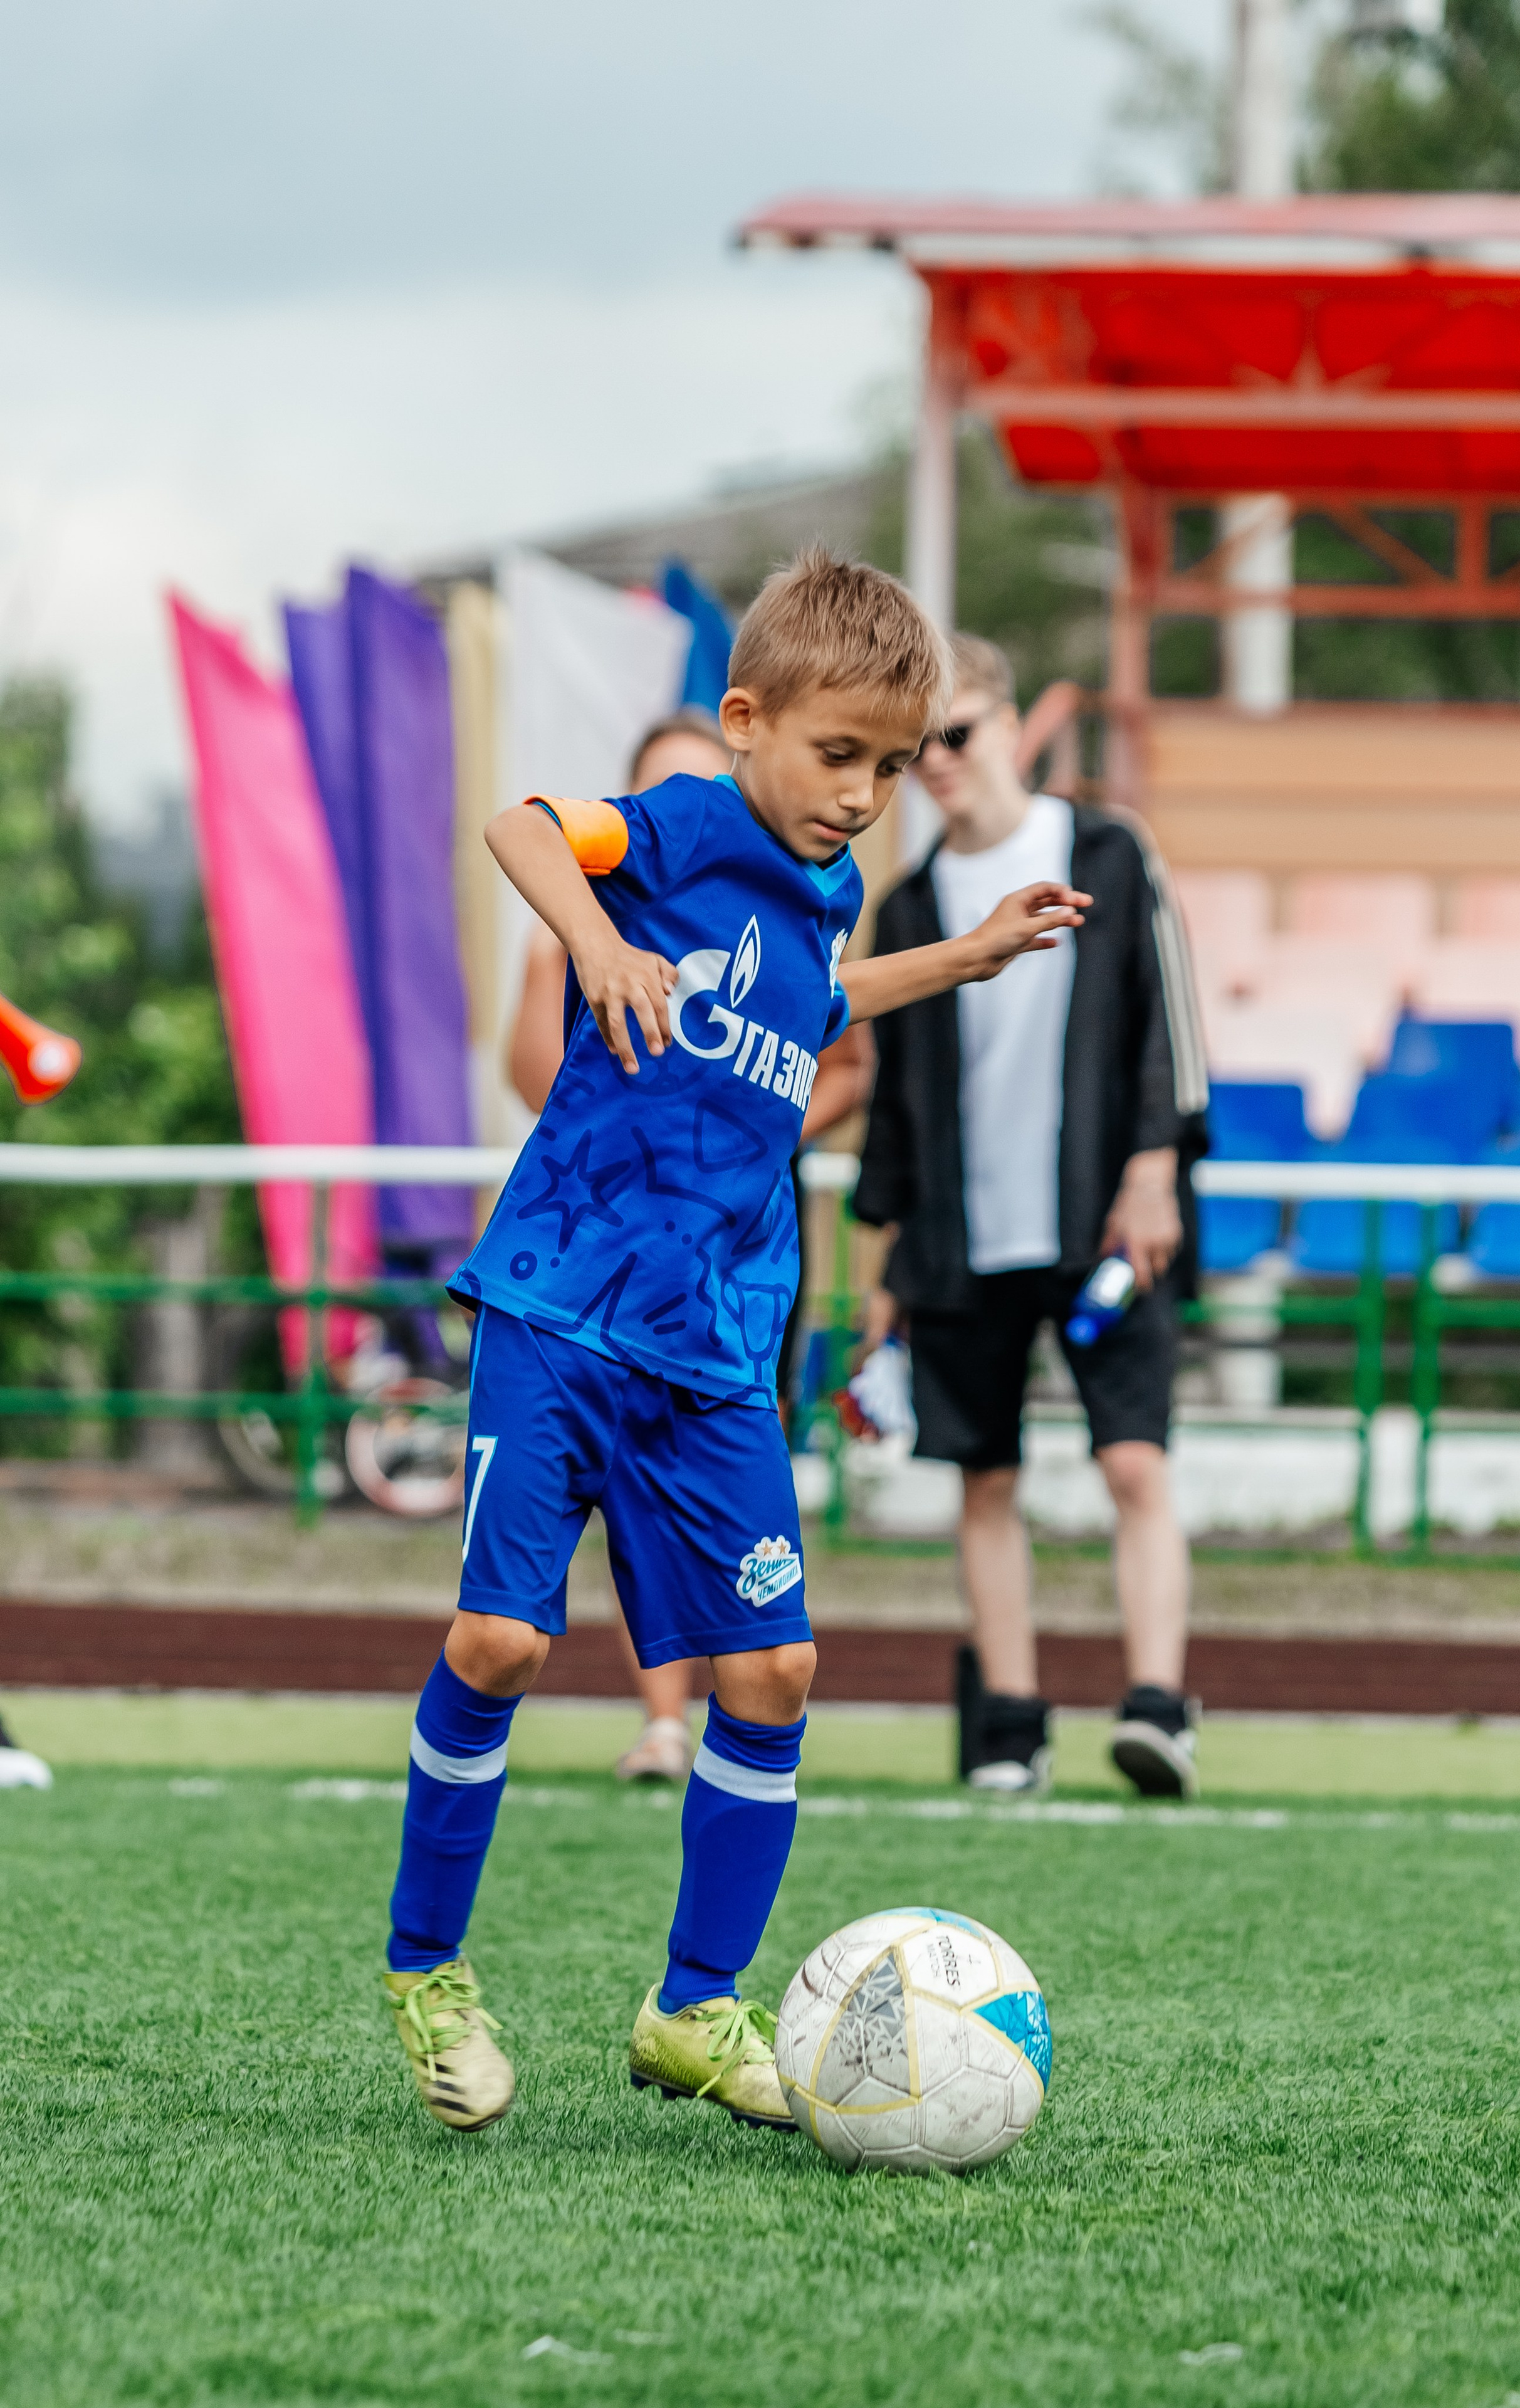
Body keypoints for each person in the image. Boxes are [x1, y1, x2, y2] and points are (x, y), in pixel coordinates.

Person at [380, 550, 1088, 2133]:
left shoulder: (826, 889)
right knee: (500, 1643)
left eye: (893, 768)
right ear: (747, 719)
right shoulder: (691, 818)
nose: (863, 795)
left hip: (712, 1349)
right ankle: (426, 1971)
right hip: (564, 1308)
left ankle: (693, 2009)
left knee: (771, 1670)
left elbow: (817, 1001)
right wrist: (600, 943)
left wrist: (960, 959)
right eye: (839, 755)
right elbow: (523, 828)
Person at [854, 633, 1208, 1801]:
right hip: (961, 1238)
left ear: (1011, 724)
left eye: (954, 734)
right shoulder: (904, 907)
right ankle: (1010, 1720)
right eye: (915, 752)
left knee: (1134, 1463)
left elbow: (1168, 1019)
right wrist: (884, 1265)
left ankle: (1158, 1705)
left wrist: (1155, 1166)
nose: (940, 764)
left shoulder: (1104, 848)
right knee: (984, 1478)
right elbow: (894, 1108)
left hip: (1105, 1226)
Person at [504, 707, 873, 1785]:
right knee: (574, 1545)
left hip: (736, 1270)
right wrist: (592, 948)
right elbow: (535, 1074)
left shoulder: (809, 906)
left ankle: (729, 1707)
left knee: (732, 1543)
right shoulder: (595, 910)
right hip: (601, 1266)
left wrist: (738, 1121)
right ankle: (663, 1713)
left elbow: (837, 1047)